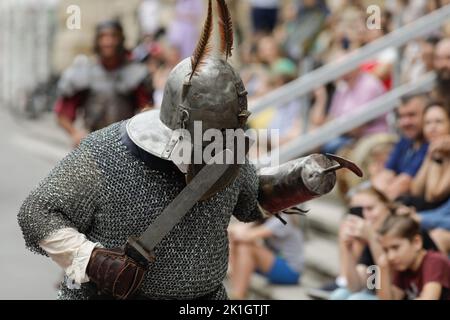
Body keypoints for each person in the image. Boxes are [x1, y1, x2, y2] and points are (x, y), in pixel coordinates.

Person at [18, 1, 352, 300]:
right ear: (181, 121)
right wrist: (92, 259)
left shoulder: (226, 154)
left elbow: (252, 196)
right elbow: (37, 213)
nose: (218, 147)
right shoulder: (108, 151)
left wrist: (299, 179)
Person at [54, 20, 153, 146]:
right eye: (103, 37)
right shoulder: (84, 72)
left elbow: (147, 109)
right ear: (97, 41)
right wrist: (75, 133)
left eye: (113, 36)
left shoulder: (135, 72)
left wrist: (141, 131)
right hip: (92, 143)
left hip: (125, 145)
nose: (108, 42)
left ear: (121, 40)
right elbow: (62, 113)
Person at [329, 186, 438, 300]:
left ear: (386, 205)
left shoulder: (404, 227)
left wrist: (372, 238)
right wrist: (347, 248)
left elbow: (391, 280)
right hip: (388, 293)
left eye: (370, 208)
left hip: (409, 293)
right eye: (358, 211)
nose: (365, 215)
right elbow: (355, 286)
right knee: (340, 294)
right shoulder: (373, 234)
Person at [228, 214, 304, 299]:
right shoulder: (266, 217)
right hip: (275, 265)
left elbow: (245, 235)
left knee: (245, 247)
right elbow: (235, 232)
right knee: (238, 244)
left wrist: (238, 230)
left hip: (290, 271)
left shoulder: (283, 219)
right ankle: (236, 292)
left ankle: (238, 295)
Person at [377, 214, 450, 300]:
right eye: (386, 250)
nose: (390, 257)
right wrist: (383, 271)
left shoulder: (435, 261)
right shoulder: (403, 267)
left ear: (416, 242)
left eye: (395, 247)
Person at [372, 94, 429, 201]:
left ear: (427, 115)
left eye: (411, 115)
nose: (405, 122)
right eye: (401, 116)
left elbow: (402, 185)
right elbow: (386, 174)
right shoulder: (406, 140)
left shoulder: (429, 145)